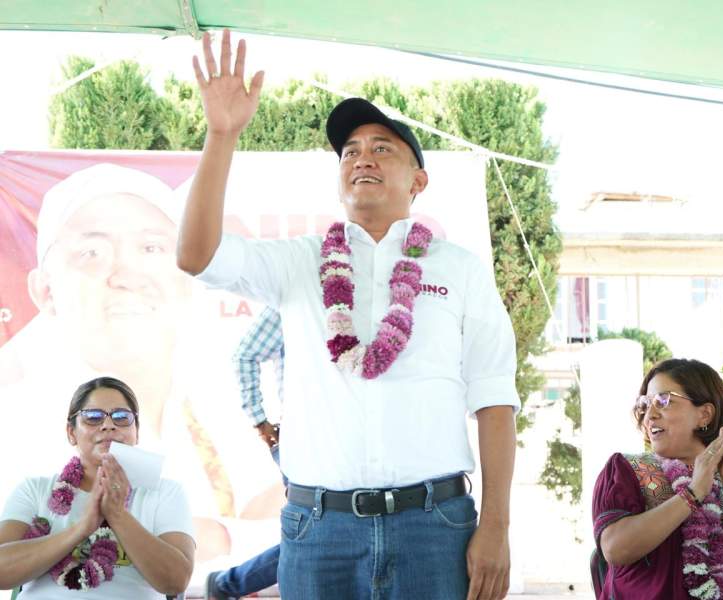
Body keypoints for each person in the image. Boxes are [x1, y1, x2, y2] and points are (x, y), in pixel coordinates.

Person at [179, 29, 519, 600]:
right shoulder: (299, 261)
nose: (363, 157)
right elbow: (196, 255)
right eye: (351, 151)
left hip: (435, 525)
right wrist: (221, 134)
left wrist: (497, 527)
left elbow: (494, 399)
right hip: (318, 532)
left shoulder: (458, 268)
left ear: (418, 181)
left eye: (382, 148)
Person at [0, 163, 282, 562]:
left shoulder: (227, 401)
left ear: (188, 277)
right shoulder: (14, 420)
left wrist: (215, 537)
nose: (128, 275)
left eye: (151, 248)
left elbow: (298, 525)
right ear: (45, 290)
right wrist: (217, 538)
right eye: (91, 253)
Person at [592, 358, 723, 599]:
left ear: (705, 414)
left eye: (663, 400)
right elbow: (616, 549)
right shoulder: (629, 470)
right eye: (645, 405)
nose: (650, 415)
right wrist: (692, 494)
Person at [0, 376, 195, 598]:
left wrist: (118, 515)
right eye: (93, 417)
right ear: (71, 433)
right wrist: (82, 528)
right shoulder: (34, 489)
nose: (108, 425)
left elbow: (175, 582)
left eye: (122, 417)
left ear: (137, 432)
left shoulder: (165, 493)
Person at [206, 307, 284, 600]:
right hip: (305, 447)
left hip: (358, 449)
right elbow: (245, 355)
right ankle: (228, 584)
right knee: (314, 534)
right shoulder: (299, 296)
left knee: (322, 535)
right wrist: (260, 421)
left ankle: (228, 584)